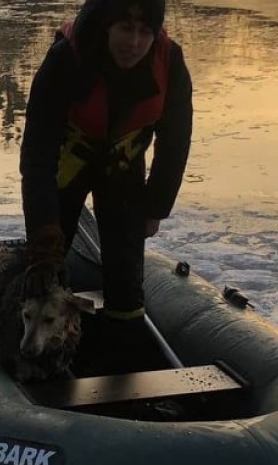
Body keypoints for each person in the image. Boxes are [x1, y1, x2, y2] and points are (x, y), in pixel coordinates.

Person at [20, 0, 193, 370]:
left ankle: (120, 365)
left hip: (122, 165)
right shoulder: (65, 59)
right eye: (124, 29)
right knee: (45, 267)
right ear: (105, 27)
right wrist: (43, 233)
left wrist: (156, 207)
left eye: (145, 32)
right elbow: (37, 154)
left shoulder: (170, 62)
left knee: (126, 275)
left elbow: (175, 142)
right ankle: (35, 361)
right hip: (68, 162)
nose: (133, 42)